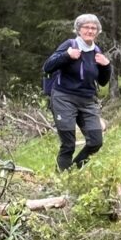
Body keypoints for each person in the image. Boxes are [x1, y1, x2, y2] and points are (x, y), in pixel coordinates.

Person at [43, 14, 111, 172]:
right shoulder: (70, 45)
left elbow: (102, 81)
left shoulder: (96, 51)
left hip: (87, 101)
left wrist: (107, 66)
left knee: (95, 142)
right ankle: (62, 181)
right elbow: (47, 67)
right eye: (86, 27)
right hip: (64, 98)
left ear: (98, 31)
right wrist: (67, 55)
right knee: (68, 144)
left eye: (94, 28)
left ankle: (72, 172)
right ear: (79, 30)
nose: (90, 30)